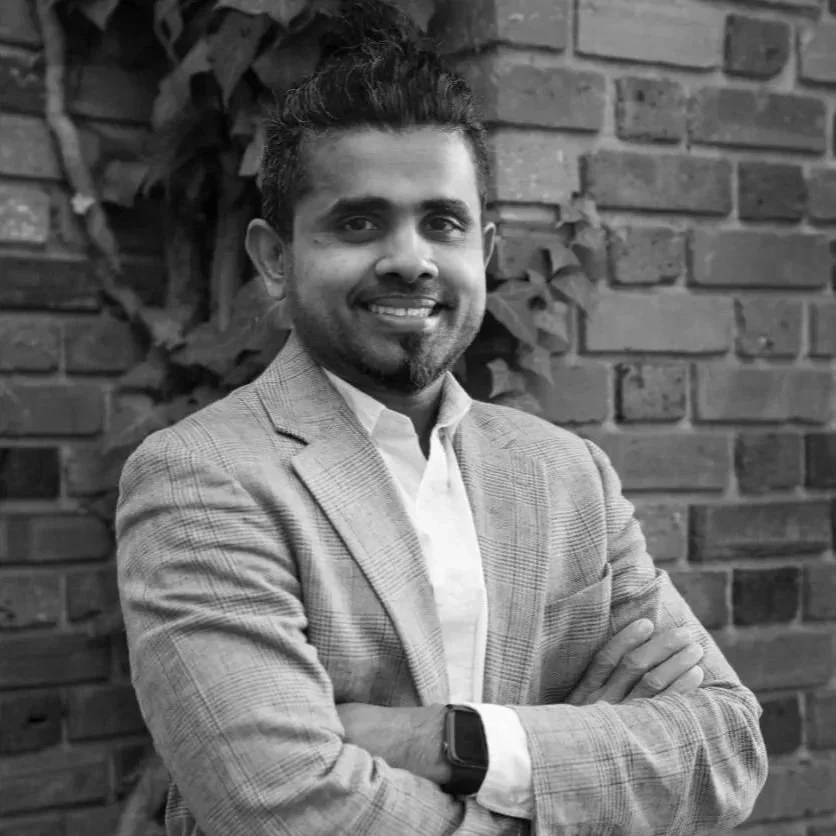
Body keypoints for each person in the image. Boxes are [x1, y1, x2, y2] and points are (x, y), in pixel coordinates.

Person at [115, 2, 768, 834]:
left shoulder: (566, 474)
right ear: (275, 259)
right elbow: (287, 806)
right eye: (358, 222)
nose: (410, 259)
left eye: (442, 223)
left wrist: (452, 741)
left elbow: (726, 749)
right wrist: (568, 775)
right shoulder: (201, 480)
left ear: (483, 253)